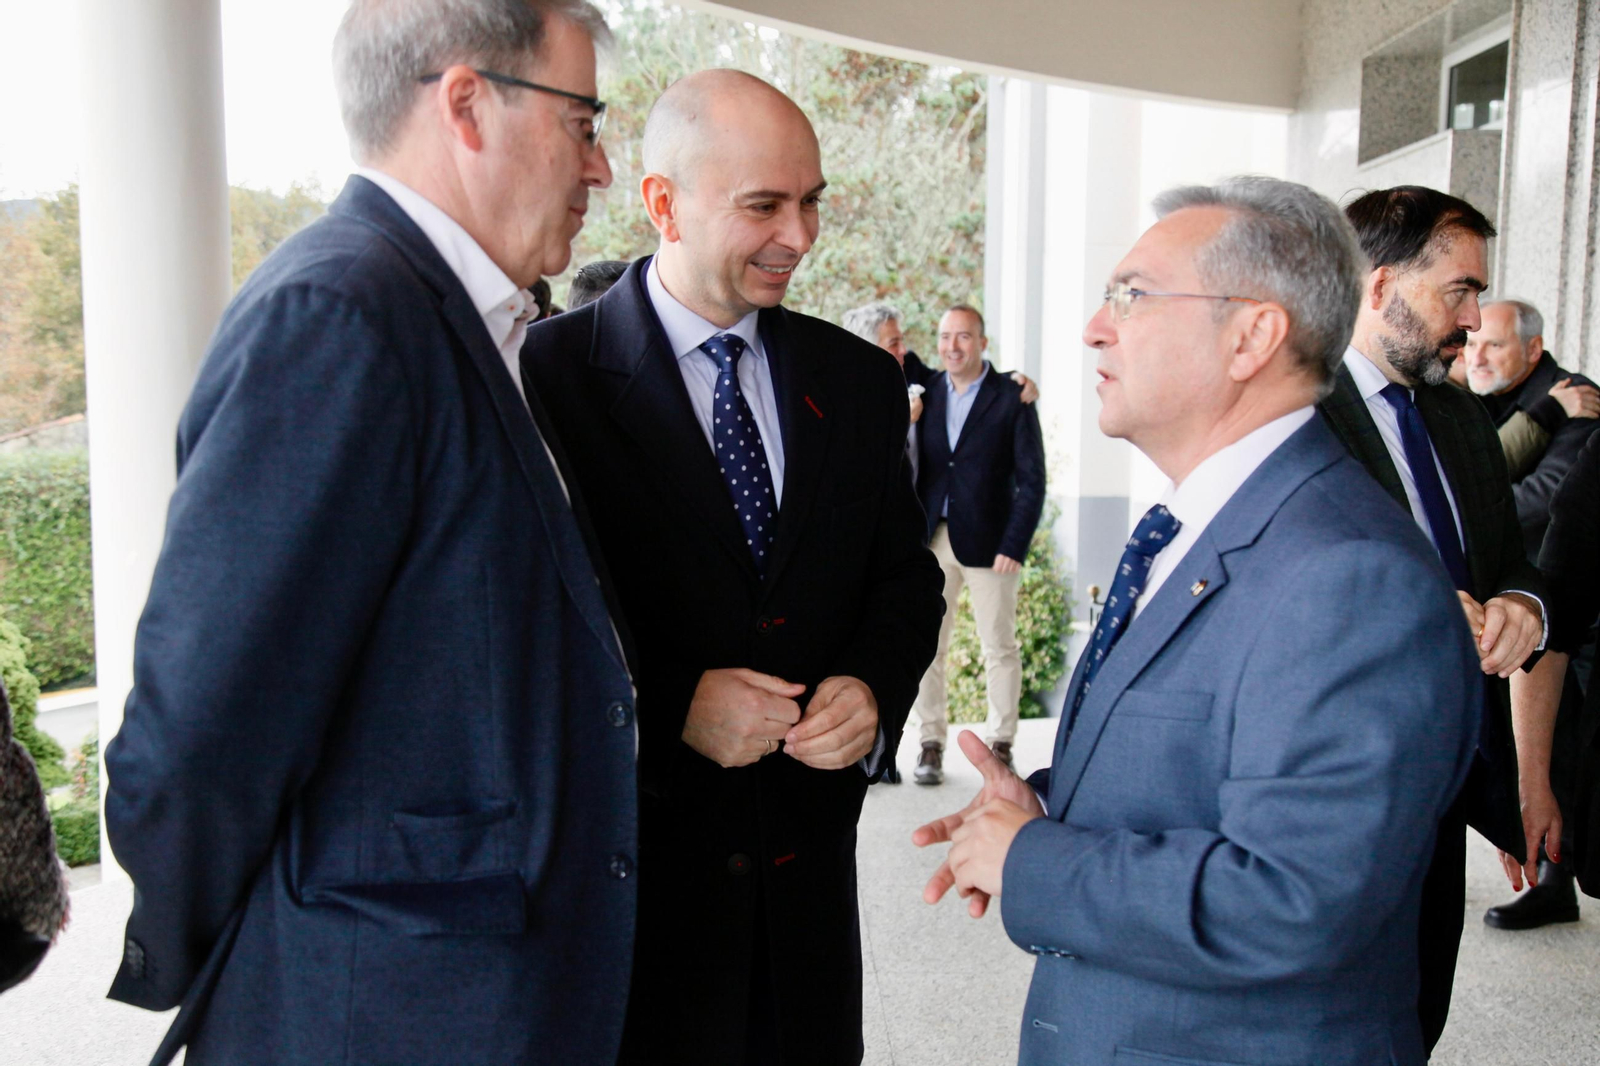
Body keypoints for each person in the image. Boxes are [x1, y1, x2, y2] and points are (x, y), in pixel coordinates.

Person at [102, 3, 635, 1064]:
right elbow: (199, 734)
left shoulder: (463, 324)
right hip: (383, 1015)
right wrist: (235, 944)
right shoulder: (340, 316)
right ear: (468, 104)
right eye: (583, 122)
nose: (603, 166)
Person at [915, 176, 1478, 1066]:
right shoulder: (1200, 523)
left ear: (1252, 335)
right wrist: (1051, 807)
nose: (1096, 327)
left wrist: (1034, 863)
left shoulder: (1350, 577)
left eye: (1131, 298)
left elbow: (1295, 898)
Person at [522, 70, 944, 1065]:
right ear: (661, 203)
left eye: (811, 204)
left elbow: (902, 579)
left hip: (803, 924)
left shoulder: (859, 382)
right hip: (632, 922)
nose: (799, 236)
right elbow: (518, 628)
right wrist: (668, 706)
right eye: (764, 205)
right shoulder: (546, 381)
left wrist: (872, 688)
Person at [1316, 184, 1545, 1053]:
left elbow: (1509, 563)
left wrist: (1524, 606)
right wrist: (1401, 609)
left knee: (1416, 1019)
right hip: (1337, 786)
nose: (1476, 320)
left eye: (1480, 293)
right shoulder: (1293, 410)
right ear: (1379, 289)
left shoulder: (1457, 411)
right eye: (1459, 291)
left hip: (1445, 780)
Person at [909, 303, 1045, 782]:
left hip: (991, 545)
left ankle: (1001, 743)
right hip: (934, 540)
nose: (953, 346)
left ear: (982, 343)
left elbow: (1033, 479)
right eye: (945, 337)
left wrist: (1016, 542)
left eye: (964, 337)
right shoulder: (925, 387)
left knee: (999, 647)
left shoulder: (1012, 396)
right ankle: (930, 743)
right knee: (928, 646)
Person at [1461, 298, 1600, 557]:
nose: (1477, 359)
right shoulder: (1474, 397)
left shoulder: (1578, 396)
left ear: (1534, 348)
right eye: (1471, 345)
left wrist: (1462, 511)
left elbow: (1549, 496)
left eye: (1494, 345)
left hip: (1545, 574)